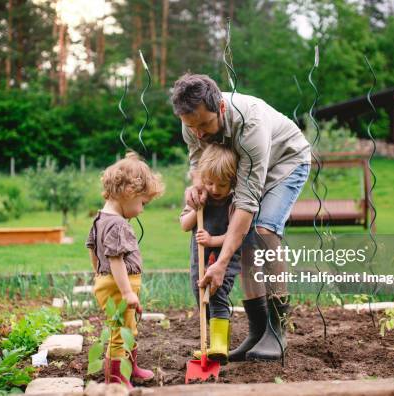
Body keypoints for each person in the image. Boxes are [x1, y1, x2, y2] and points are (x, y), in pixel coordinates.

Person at [171, 73, 311, 361]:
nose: (198, 133)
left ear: (220, 108)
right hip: (242, 171)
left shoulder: (251, 126)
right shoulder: (193, 123)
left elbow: (246, 203)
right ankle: (257, 331)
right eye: (191, 126)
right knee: (245, 240)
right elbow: (198, 160)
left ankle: (277, 329)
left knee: (262, 231)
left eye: (204, 125)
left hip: (285, 162)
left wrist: (221, 263)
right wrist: (196, 186)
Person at [86, 152, 164, 388]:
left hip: (108, 283)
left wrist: (98, 273)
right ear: (129, 193)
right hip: (120, 287)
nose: (141, 210)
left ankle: (131, 367)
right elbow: (116, 260)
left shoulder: (100, 219)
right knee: (119, 333)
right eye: (142, 203)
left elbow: (92, 249)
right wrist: (128, 291)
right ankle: (116, 379)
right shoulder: (118, 224)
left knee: (127, 327)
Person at [179, 144, 241, 364]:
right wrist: (197, 209)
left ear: (232, 181)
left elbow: (237, 233)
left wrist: (213, 240)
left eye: (222, 184)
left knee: (217, 294)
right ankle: (211, 343)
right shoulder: (198, 198)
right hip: (200, 260)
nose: (215, 189)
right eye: (210, 182)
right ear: (202, 178)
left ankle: (219, 347)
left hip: (224, 259)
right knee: (201, 297)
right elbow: (184, 225)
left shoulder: (234, 203)